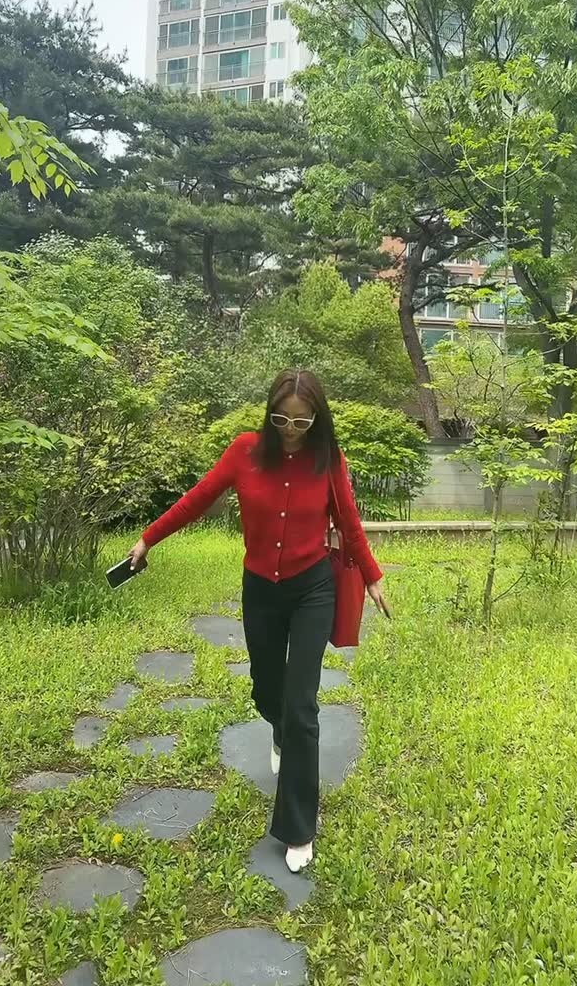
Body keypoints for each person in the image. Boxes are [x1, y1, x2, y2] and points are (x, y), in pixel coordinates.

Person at [128, 370, 389, 874]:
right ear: (268, 414)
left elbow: (349, 521)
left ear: (317, 419)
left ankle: (298, 827)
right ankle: (278, 729)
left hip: (313, 590)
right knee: (268, 691)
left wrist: (373, 576)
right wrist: (148, 537)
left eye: (302, 421)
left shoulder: (328, 458)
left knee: (302, 705)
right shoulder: (244, 451)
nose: (290, 429)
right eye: (281, 419)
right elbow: (197, 498)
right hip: (261, 591)